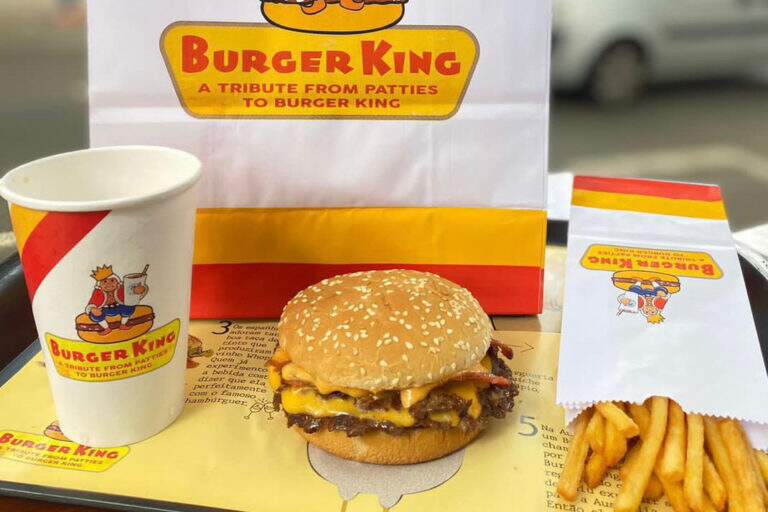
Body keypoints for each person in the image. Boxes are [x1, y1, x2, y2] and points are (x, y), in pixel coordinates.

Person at [85, 266, 147, 336]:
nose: (108, 284)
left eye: (112, 280)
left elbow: (132, 295)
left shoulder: (121, 288)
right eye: (104, 281)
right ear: (100, 285)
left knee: (129, 307)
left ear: (117, 281)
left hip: (119, 306)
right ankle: (106, 328)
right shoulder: (98, 292)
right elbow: (92, 303)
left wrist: (139, 290)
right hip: (104, 309)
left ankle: (123, 324)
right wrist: (92, 309)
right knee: (94, 315)